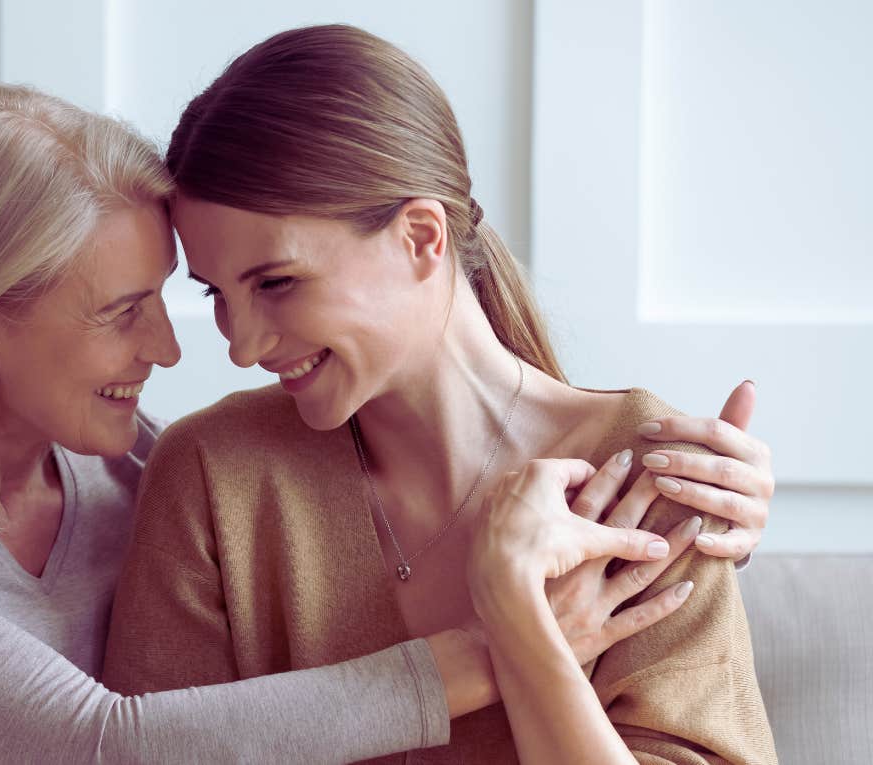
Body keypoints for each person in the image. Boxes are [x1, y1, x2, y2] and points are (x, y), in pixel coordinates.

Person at [102, 24, 777, 764]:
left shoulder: (646, 477)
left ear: (421, 237)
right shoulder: (211, 472)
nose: (242, 345)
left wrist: (517, 612)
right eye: (219, 295)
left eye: (276, 283)